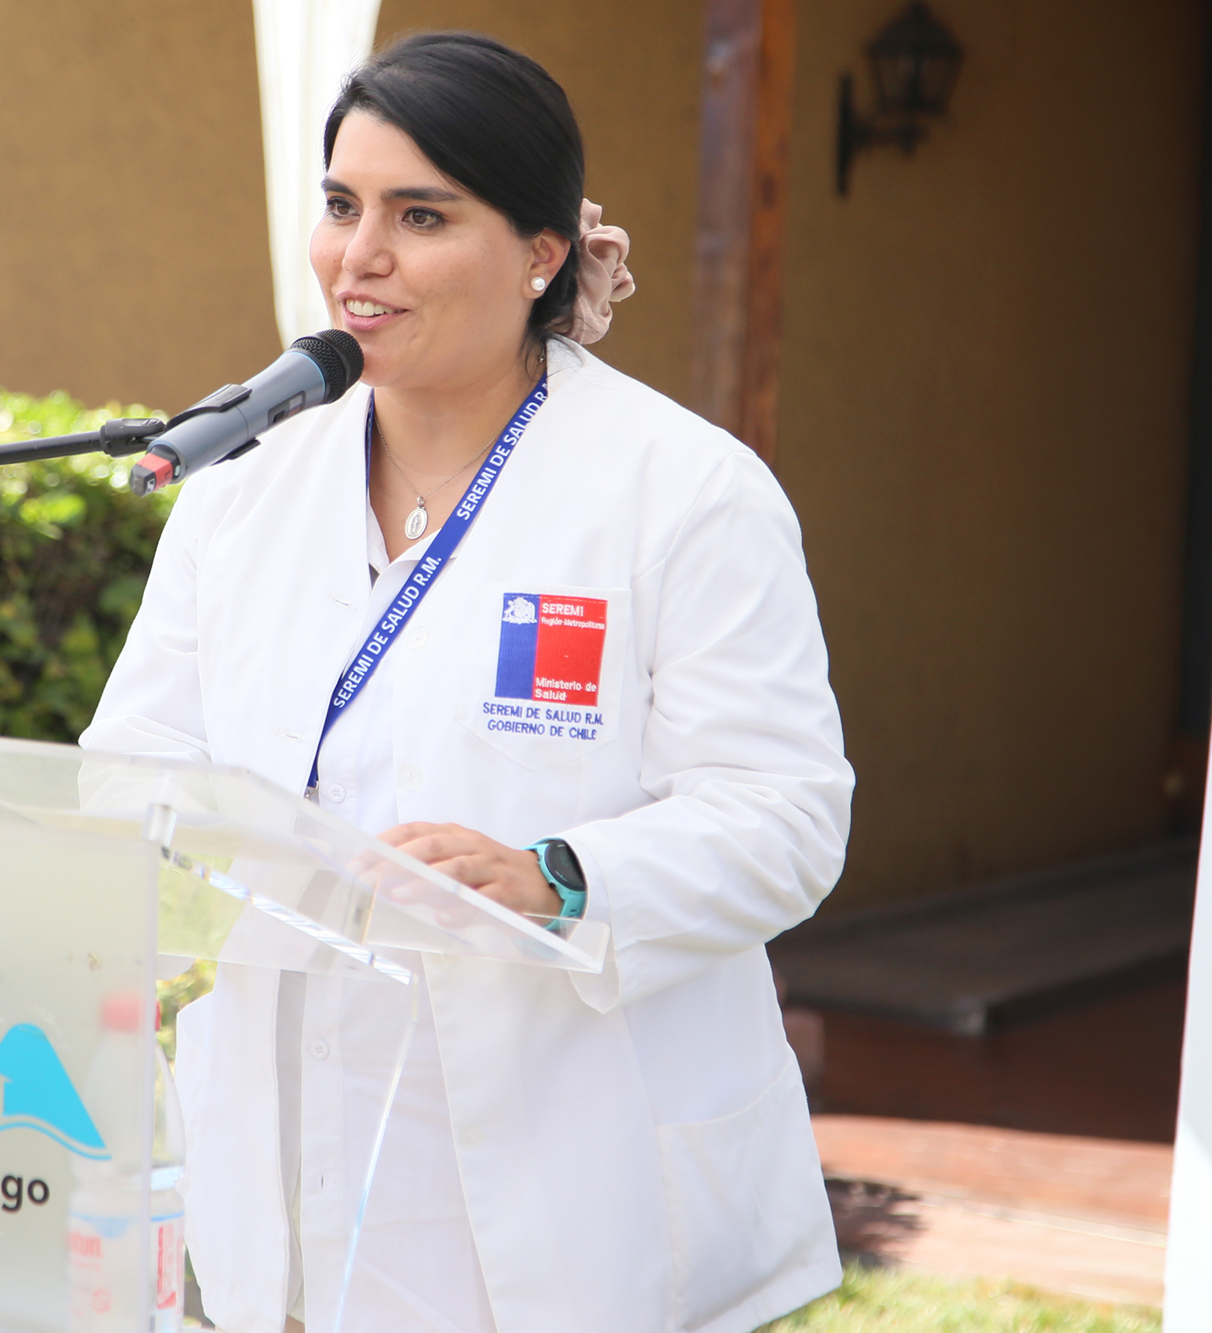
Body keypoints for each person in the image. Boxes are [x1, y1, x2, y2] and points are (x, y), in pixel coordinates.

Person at [81, 30, 852, 1333]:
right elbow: (130, 770)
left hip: (573, 1191)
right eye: (342, 205)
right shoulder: (244, 490)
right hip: (291, 1175)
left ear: (542, 251)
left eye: (419, 216)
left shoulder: (683, 493)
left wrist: (558, 875)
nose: (359, 256)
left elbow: (786, 817)